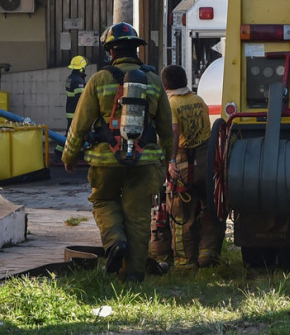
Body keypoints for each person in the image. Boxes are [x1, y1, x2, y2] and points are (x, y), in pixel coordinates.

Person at [61, 22, 173, 283]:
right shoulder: (154, 81)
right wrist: (167, 159)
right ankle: (132, 276)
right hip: (145, 162)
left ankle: (115, 242)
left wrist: (69, 156)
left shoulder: (99, 80)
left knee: (103, 200)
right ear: (136, 49)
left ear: (111, 51)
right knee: (138, 217)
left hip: (105, 161)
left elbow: (79, 124)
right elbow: (166, 128)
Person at [160, 64, 225, 268]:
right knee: (209, 210)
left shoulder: (171, 104)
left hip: (183, 163)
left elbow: (173, 132)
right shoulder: (198, 100)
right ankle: (208, 255)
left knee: (181, 215)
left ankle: (185, 263)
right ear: (186, 81)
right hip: (206, 163)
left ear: (164, 85)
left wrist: (171, 161)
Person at [58, 55, 88, 155]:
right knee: (71, 133)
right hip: (76, 111)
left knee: (70, 132)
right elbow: (81, 98)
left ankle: (60, 150)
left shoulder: (70, 78)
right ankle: (59, 151)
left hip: (70, 110)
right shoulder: (78, 81)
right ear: (81, 68)